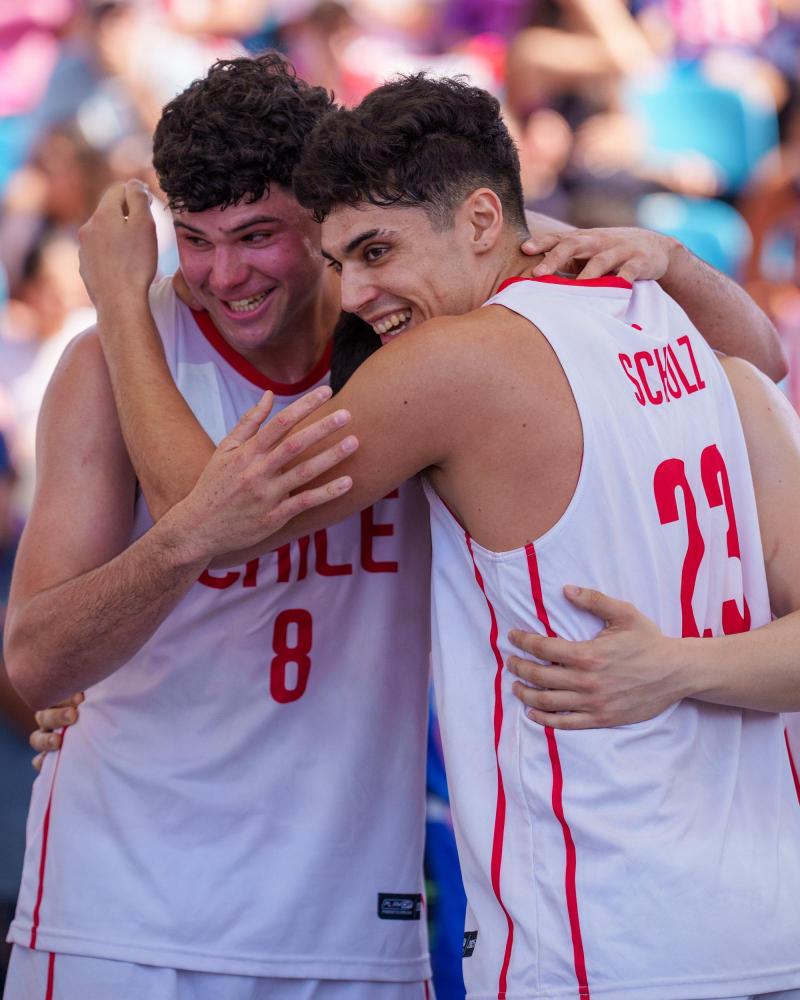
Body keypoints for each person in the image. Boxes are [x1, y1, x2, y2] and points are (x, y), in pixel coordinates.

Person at [8, 55, 789, 999]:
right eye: (195, 239)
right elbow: (36, 664)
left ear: (323, 216)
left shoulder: (427, 346)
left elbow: (205, 511)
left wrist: (665, 256)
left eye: (259, 235)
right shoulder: (113, 366)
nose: (223, 273)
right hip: (130, 913)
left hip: (362, 925)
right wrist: (125, 313)